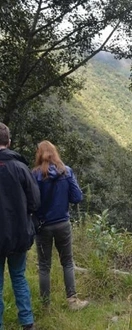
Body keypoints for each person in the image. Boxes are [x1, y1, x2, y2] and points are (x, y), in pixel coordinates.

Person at [32, 140, 89, 310]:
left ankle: (45, 306)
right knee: (67, 262)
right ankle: (72, 301)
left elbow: (31, 202)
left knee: (44, 266)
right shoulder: (66, 171)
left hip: (43, 226)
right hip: (62, 224)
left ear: (39, 154)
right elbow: (77, 197)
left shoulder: (34, 174)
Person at [0, 123, 40, 330]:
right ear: (9, 142)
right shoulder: (21, 167)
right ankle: (27, 322)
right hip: (19, 234)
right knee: (18, 277)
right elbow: (35, 201)